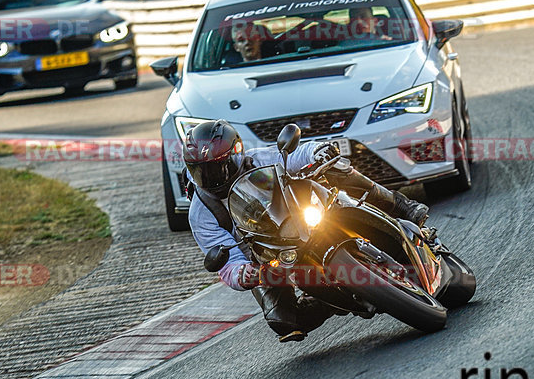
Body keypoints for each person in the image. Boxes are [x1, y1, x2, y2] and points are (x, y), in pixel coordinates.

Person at [183, 120, 429, 342]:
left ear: (236, 153)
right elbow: (226, 263)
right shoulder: (200, 212)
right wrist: (244, 274)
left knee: (335, 167)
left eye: (217, 168)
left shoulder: (258, 159)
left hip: (301, 217)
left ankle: (400, 205)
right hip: (266, 254)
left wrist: (318, 151)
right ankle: (333, 299)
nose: (210, 177)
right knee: (285, 322)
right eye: (200, 170)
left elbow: (298, 153)